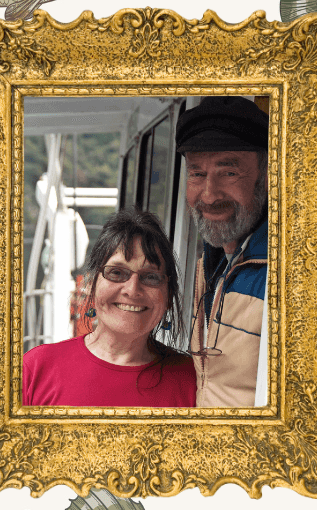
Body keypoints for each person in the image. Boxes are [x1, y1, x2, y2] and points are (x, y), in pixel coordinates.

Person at [22, 208, 195, 407]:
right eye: (117, 272)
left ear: (169, 295)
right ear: (91, 283)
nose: (132, 290)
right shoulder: (36, 369)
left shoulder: (192, 382)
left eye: (151, 277)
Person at [177, 96, 269, 407]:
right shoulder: (214, 260)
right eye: (197, 173)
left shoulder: (283, 273)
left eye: (228, 172)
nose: (209, 194)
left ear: (267, 176)